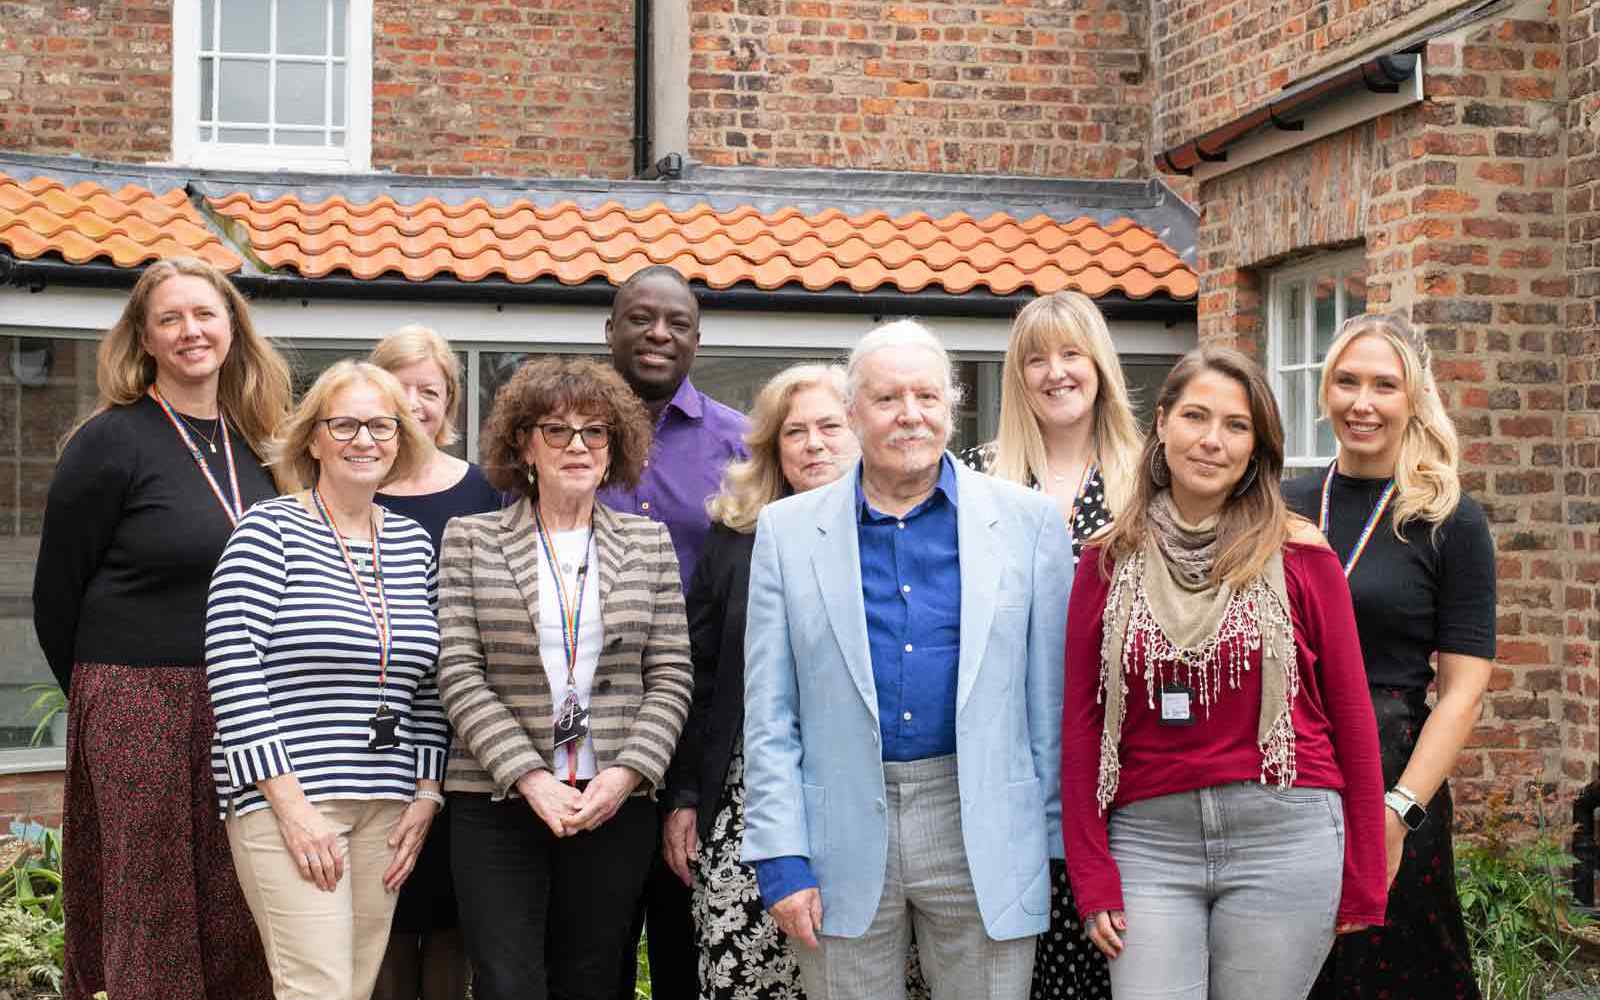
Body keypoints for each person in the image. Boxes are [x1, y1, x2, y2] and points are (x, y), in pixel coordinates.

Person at [741, 319, 1073, 1000]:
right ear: (854, 413)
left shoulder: (1028, 524)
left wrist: (1052, 846)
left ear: (953, 405)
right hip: (839, 833)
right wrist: (780, 856)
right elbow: (770, 712)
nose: (910, 416)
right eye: (887, 399)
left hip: (983, 823)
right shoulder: (788, 531)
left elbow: (1052, 706)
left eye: (927, 396)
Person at [1060, 346, 1388, 999]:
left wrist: (1364, 873)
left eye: (1236, 426)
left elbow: (1353, 717)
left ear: (1256, 447)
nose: (1212, 440)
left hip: (1285, 835)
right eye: (1195, 417)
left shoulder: (1300, 554)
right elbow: (1080, 725)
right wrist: (1091, 874)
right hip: (1150, 842)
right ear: (1162, 424)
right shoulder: (1106, 560)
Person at [33, 256, 291, 1000]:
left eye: (205, 315)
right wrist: (106, 702)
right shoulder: (108, 441)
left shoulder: (264, 444)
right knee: (152, 904)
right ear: (144, 339)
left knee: (241, 897)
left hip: (246, 706)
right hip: (137, 701)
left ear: (233, 328)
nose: (190, 332)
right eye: (170, 318)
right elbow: (57, 600)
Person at [437, 356, 695, 1000]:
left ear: (616, 448)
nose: (577, 446)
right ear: (524, 444)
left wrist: (627, 772)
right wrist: (529, 776)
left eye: (595, 431)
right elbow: (460, 672)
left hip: (613, 800)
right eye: (556, 430)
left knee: (595, 977)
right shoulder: (469, 539)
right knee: (506, 980)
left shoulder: (650, 543)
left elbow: (670, 674)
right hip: (497, 799)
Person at [205, 360, 448, 1000]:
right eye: (344, 425)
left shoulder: (412, 544)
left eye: (380, 426)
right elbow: (232, 671)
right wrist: (291, 808)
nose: (363, 440)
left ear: (401, 440)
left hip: (387, 806)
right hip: (293, 801)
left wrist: (427, 793)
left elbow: (428, 685)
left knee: (355, 986)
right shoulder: (269, 530)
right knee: (317, 989)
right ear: (313, 438)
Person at [1287, 314, 1496, 1000]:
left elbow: (1462, 690)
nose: (1363, 402)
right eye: (1347, 382)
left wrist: (1398, 811)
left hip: (1394, 783)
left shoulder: (1447, 518)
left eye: (1384, 385)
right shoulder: (1284, 504)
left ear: (1414, 398)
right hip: (1284, 787)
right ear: (1326, 391)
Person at [959, 290, 1140, 1000]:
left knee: (1112, 952)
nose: (1055, 372)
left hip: (1122, 750)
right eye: (1036, 359)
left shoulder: (1150, 475)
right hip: (1010, 749)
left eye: (1071, 353)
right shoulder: (976, 477)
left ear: (1099, 364)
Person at [662, 364, 863, 999]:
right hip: (748, 800)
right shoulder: (735, 536)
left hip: (865, 797)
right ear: (772, 447)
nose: (814, 444)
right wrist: (685, 794)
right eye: (794, 432)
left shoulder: (890, 528)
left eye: (830, 426)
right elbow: (698, 671)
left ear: (859, 430)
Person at [597, 264, 748, 1000]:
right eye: (641, 318)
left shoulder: (741, 445)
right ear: (610, 330)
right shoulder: (565, 436)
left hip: (704, 717)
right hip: (593, 725)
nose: (659, 333)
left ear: (695, 339)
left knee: (691, 935)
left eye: (677, 323)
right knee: (598, 946)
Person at [368, 326, 502, 1000]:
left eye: (431, 389)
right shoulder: (343, 485)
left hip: (463, 737)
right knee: (382, 911)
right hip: (367, 745)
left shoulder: (485, 491)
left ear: (450, 401)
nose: (415, 403)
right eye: (399, 386)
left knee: (453, 918)